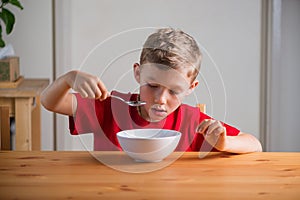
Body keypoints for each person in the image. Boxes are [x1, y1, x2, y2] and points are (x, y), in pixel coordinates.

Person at [41, 28, 262, 153]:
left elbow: (255, 145)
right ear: (138, 74)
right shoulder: (111, 106)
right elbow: (49, 102)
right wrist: (68, 79)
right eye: (153, 86)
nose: (160, 99)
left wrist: (223, 143)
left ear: (191, 88)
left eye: (174, 91)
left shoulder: (191, 122)